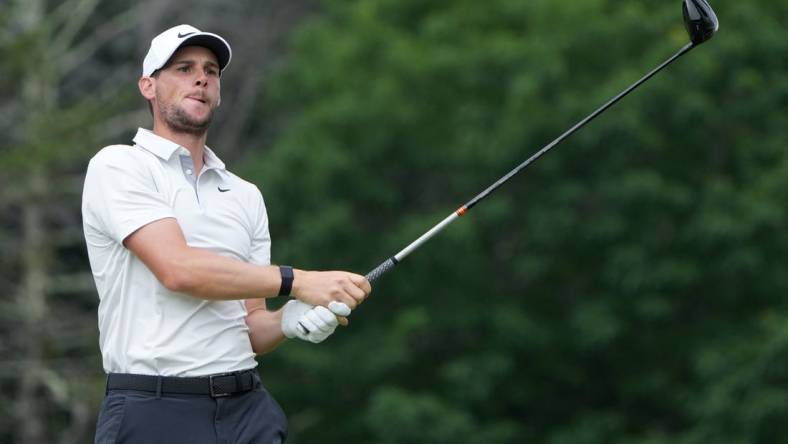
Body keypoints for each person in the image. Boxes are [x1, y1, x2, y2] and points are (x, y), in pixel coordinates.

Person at [81, 24, 371, 444]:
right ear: (148, 86)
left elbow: (250, 325)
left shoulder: (244, 195)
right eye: (183, 68)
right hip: (153, 410)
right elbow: (179, 270)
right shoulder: (119, 166)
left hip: (247, 409)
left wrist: (286, 322)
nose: (201, 78)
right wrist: (299, 281)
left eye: (211, 71)